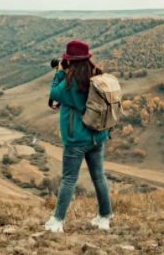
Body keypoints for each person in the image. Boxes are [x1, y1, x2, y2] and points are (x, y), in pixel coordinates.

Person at [43, 40, 113, 233]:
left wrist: (58, 72)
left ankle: (57, 221)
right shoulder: (97, 76)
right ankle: (104, 217)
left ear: (69, 61)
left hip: (77, 140)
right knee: (99, 177)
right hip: (97, 136)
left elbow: (53, 93)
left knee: (68, 179)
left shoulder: (71, 83)